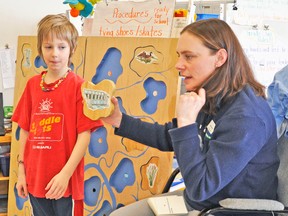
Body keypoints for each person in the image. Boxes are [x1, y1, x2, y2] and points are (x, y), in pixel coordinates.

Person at [101, 18, 279, 215]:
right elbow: (171, 137)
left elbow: (201, 187)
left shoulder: (246, 117)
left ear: (220, 58)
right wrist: (120, 120)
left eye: (189, 56)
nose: (178, 64)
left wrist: (186, 124)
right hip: (200, 202)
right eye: (179, 56)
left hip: (224, 210)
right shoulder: (213, 95)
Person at [11, 14, 103, 216]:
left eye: (61, 47)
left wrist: (65, 175)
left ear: (71, 49)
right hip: (35, 177)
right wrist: (21, 172)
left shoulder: (79, 86)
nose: (55, 53)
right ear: (40, 49)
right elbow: (24, 130)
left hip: (63, 181)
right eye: (48, 46)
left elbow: (84, 135)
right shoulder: (33, 85)